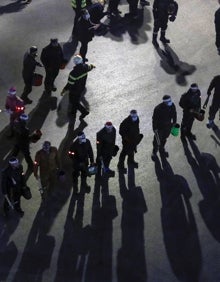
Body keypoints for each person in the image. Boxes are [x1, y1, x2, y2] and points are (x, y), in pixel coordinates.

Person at [61, 54, 95, 120]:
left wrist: (64, 90)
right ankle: (75, 113)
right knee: (74, 100)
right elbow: (89, 66)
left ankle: (82, 112)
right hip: (81, 88)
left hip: (74, 90)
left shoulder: (73, 73)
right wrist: (92, 66)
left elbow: (69, 84)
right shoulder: (85, 67)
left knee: (74, 102)